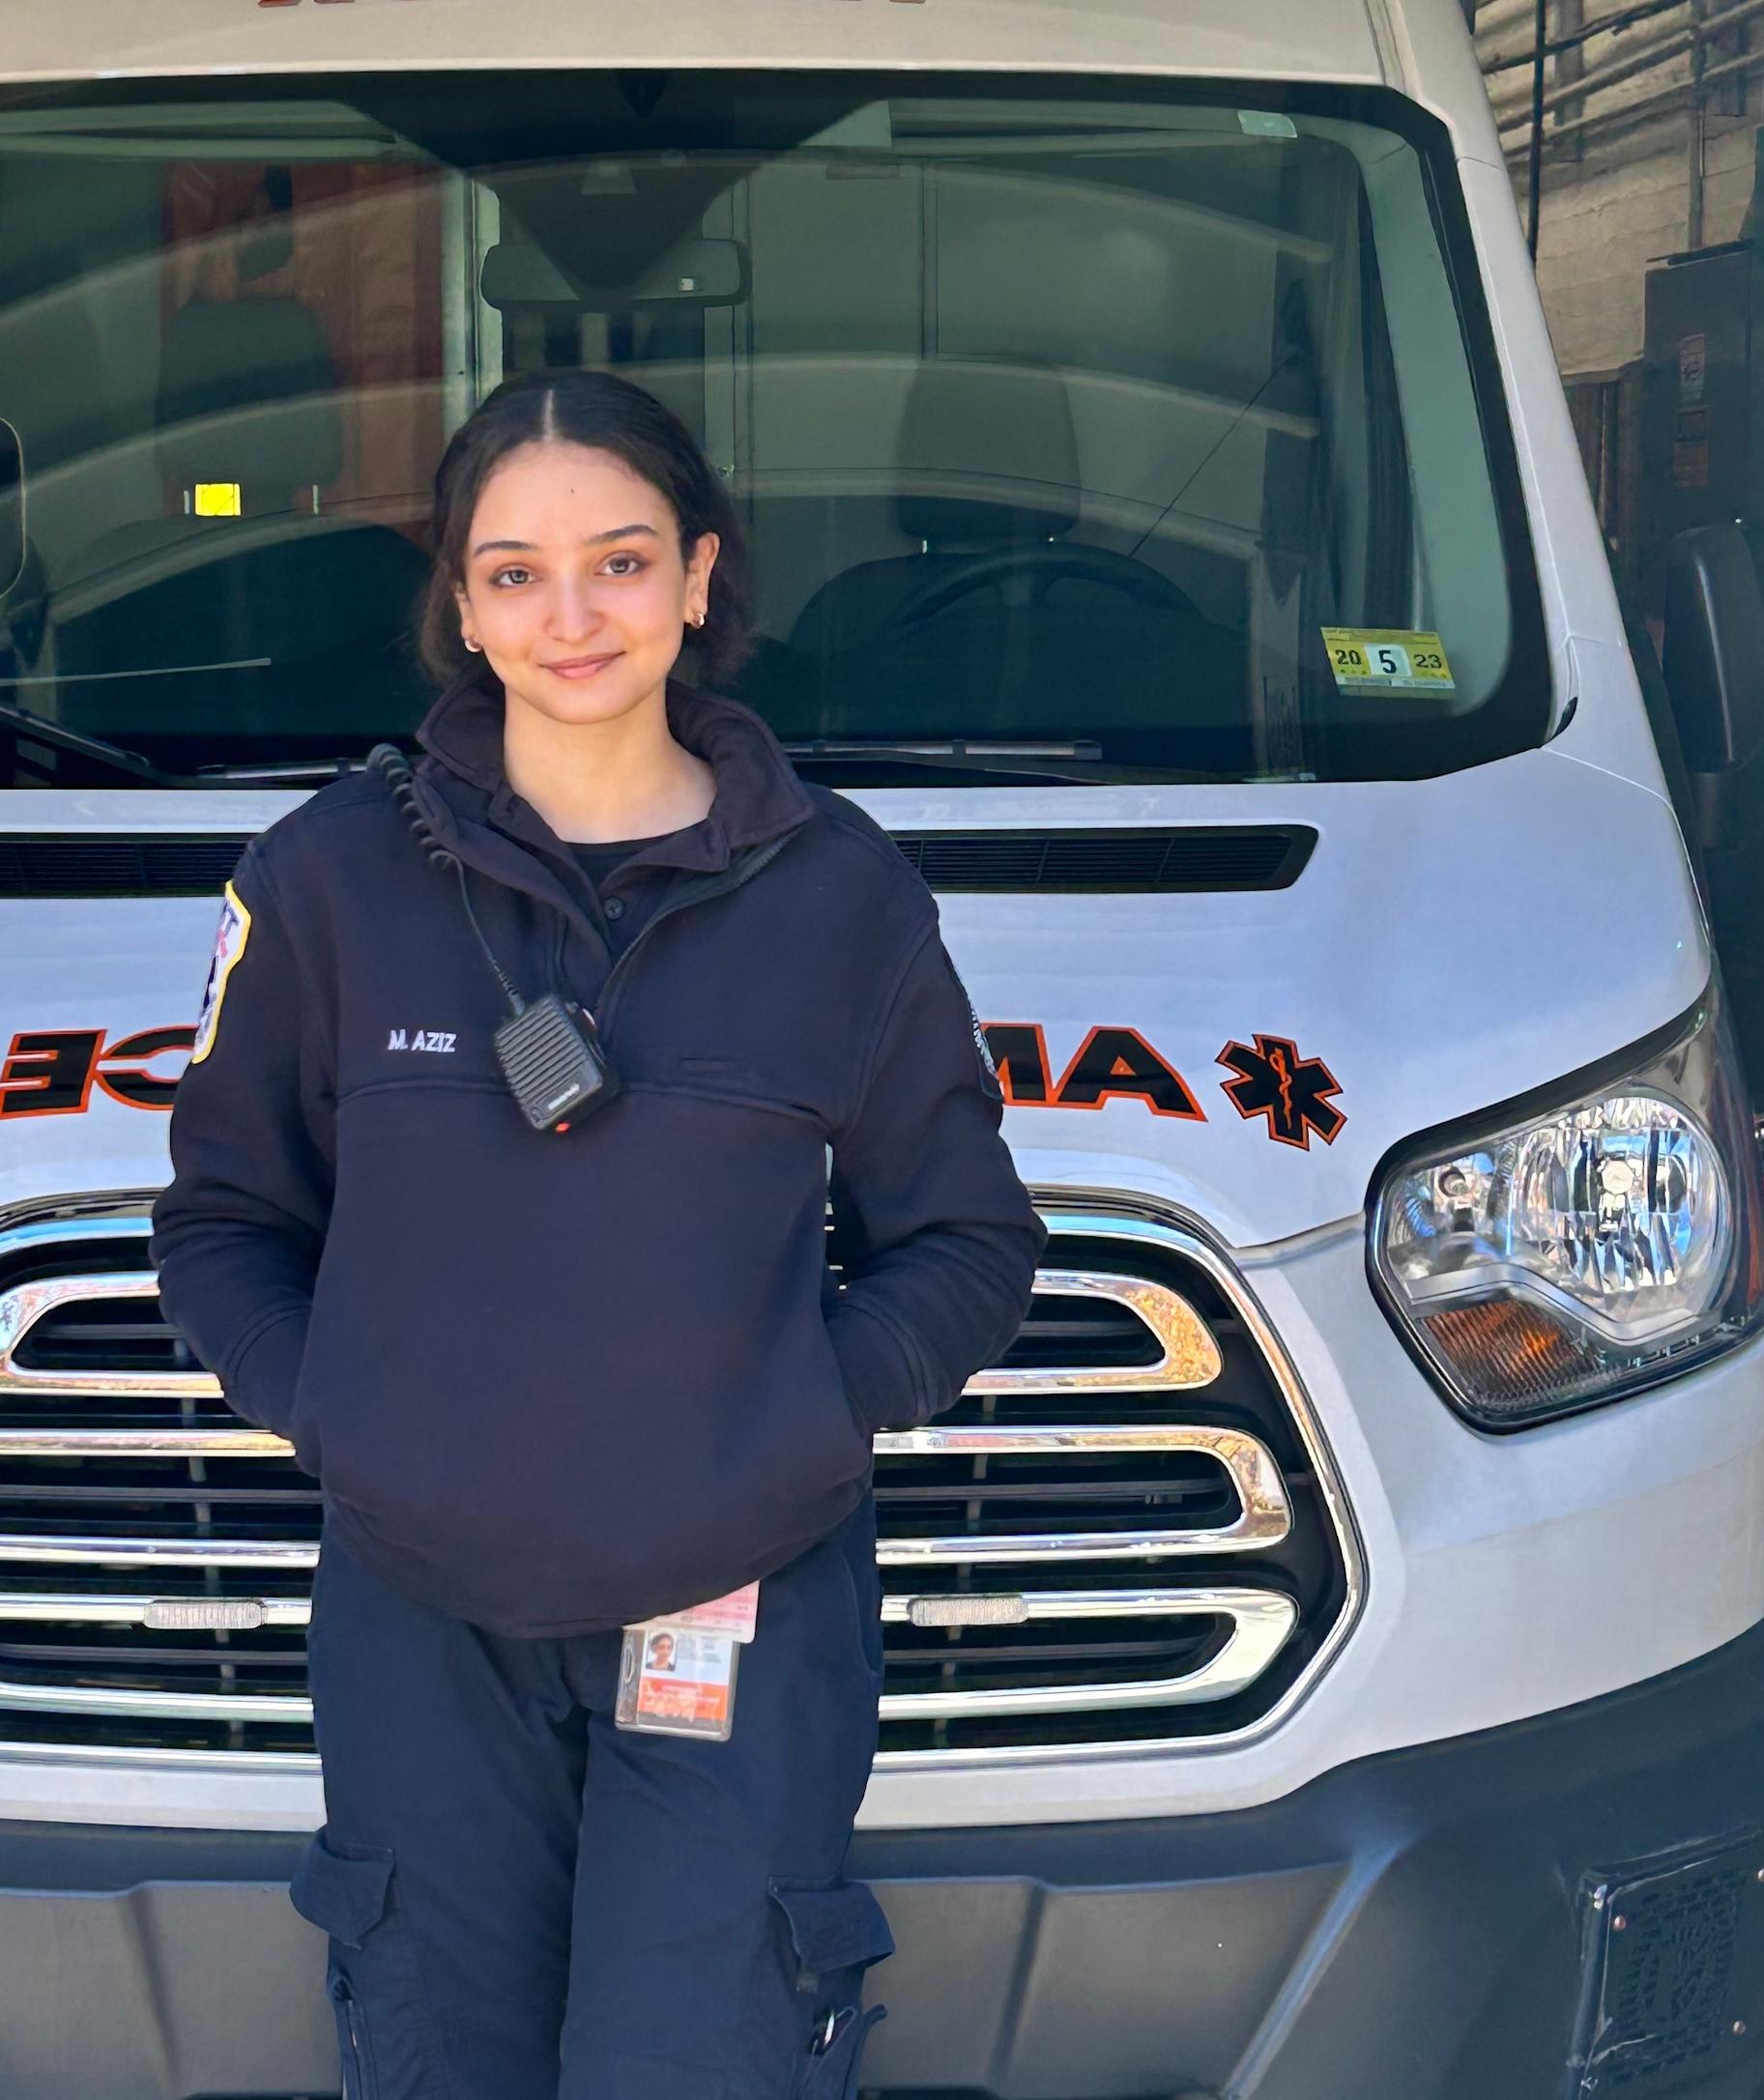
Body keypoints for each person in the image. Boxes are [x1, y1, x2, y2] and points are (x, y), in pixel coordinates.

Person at [152, 367, 1044, 2100]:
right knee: (436, 2058)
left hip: (739, 1606)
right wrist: (349, 1411)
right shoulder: (325, 882)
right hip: (424, 1619)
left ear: (702, 577)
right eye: (514, 572)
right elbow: (223, 1220)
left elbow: (966, 1241)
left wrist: (789, 1419)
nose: (572, 616)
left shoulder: (845, 893)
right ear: (461, 606)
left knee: (700, 2062)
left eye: (621, 561)